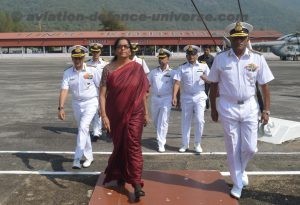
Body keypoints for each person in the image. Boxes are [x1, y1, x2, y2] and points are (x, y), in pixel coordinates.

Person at [207, 22, 274, 199]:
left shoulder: (257, 58)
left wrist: (266, 110)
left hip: (250, 106)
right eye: (235, 38)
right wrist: (213, 108)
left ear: (247, 39)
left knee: (250, 148)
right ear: (230, 39)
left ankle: (240, 170)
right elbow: (213, 85)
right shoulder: (221, 59)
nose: (239, 42)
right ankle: (237, 183)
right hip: (227, 107)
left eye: (242, 38)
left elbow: (265, 87)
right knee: (233, 147)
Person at [99, 37, 149, 200]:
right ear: (115, 50)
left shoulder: (137, 68)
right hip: (115, 114)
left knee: (133, 144)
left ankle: (136, 183)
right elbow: (102, 95)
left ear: (130, 49)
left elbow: (142, 93)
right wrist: (104, 115)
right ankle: (120, 173)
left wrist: (146, 113)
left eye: (126, 47)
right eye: (119, 47)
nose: (123, 49)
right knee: (120, 145)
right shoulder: (108, 69)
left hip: (135, 113)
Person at [58, 45, 99, 169]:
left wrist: (103, 107)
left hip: (91, 102)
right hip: (76, 104)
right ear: (72, 58)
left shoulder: (92, 70)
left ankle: (77, 158)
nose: (77, 61)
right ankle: (89, 157)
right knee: (84, 130)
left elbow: (101, 87)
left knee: (83, 127)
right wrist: (61, 107)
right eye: (75, 58)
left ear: (84, 57)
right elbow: (64, 90)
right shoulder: (67, 72)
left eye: (80, 58)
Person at [172, 45, 210, 153]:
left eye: (193, 54)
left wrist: (206, 78)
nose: (191, 57)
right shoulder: (182, 67)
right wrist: (174, 96)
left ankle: (197, 144)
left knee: (199, 120)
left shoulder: (203, 66)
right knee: (185, 121)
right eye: (188, 55)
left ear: (197, 55)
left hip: (199, 96)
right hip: (186, 96)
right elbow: (177, 83)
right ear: (186, 56)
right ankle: (185, 144)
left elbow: (211, 79)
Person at [148, 48, 175, 153]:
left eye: (163, 58)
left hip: (166, 98)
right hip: (155, 99)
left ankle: (161, 143)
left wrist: (175, 97)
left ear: (168, 59)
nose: (161, 60)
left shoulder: (172, 72)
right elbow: (147, 84)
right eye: (160, 58)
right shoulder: (153, 72)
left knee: (163, 121)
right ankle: (160, 136)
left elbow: (177, 85)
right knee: (156, 121)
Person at [86, 43, 108, 142]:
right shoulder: (87, 64)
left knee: (105, 110)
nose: (95, 54)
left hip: (104, 90)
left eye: (97, 52)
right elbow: (86, 77)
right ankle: (96, 132)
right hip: (92, 90)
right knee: (96, 111)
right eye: (94, 52)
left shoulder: (105, 64)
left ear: (100, 52)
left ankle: (107, 128)